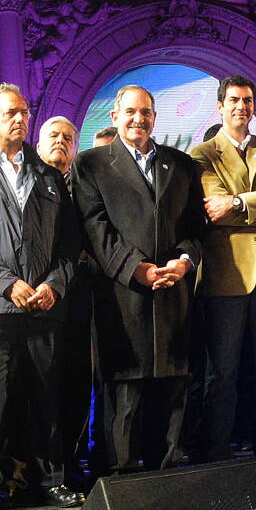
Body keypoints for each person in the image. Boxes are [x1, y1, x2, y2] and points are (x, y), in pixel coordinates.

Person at [73, 85, 204, 471]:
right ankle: (122, 476)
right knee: (125, 396)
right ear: (115, 117)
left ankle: (168, 470)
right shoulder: (90, 164)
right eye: (130, 112)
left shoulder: (180, 164)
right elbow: (96, 229)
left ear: (154, 118)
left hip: (173, 294)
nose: (138, 119)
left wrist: (184, 261)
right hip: (122, 295)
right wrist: (137, 269)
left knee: (173, 388)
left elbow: (195, 226)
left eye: (146, 112)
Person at [0, 83, 82, 507]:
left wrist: (54, 284)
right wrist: (5, 283)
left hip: (43, 307)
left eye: (25, 112)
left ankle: (52, 479)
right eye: (11, 112)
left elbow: (70, 246)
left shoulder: (48, 176)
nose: (20, 119)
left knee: (46, 397)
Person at [190, 76, 256, 461]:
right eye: (234, 100)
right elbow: (211, 208)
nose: (242, 107)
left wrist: (236, 203)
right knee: (221, 373)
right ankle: (217, 451)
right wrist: (253, 204)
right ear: (219, 106)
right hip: (227, 272)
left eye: (248, 100)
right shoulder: (202, 155)